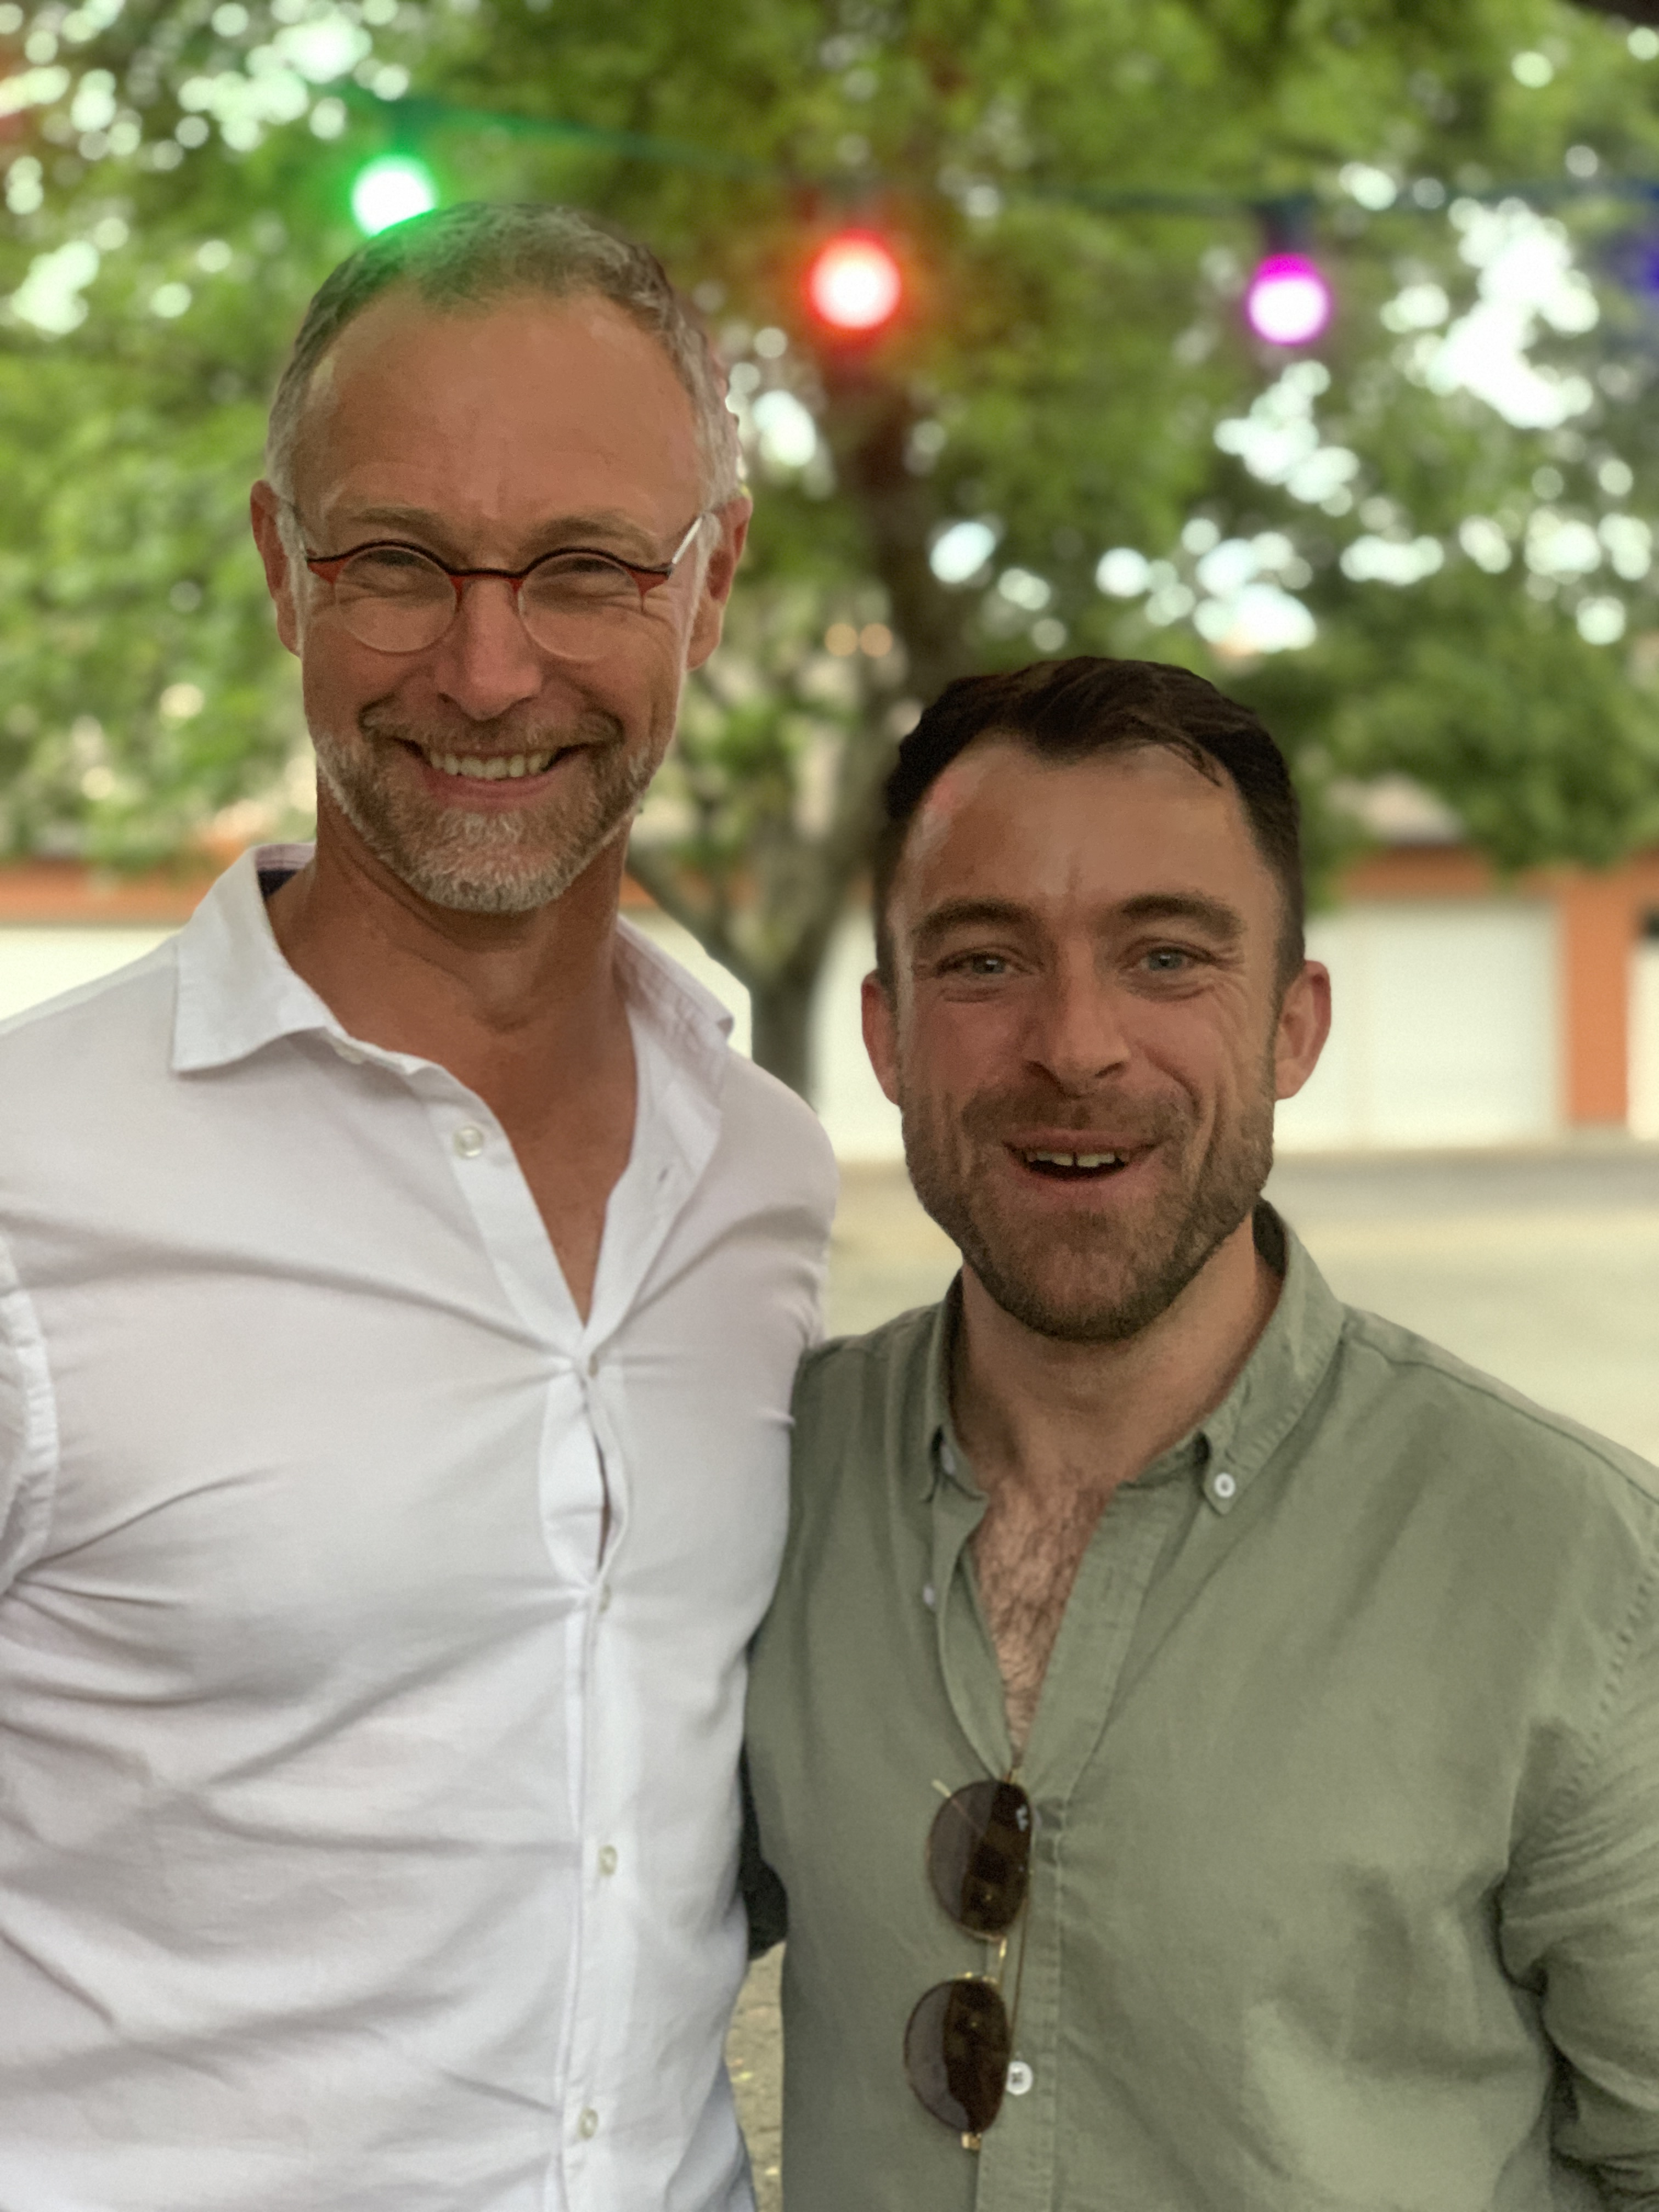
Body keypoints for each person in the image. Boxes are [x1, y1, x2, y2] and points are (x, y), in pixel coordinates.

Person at [0, 202, 836, 2212]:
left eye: (585, 567)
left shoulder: (762, 1176)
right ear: (284, 569)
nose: (487, 667)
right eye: (396, 561)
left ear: (710, 586)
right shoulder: (30, 1186)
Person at [745, 656, 1659, 2210]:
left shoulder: (1578, 1574)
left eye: (1166, 958)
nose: (1075, 1044)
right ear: (887, 1036)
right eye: (985, 962)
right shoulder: (763, 1486)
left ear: (1293, 1028)